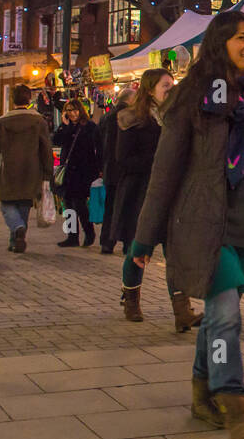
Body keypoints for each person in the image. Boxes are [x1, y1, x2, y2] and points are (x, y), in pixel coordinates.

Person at [132, 12, 244, 439]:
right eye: (240, 38)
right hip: (203, 222)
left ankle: (200, 392)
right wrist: (143, 239)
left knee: (218, 314)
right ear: (219, 43)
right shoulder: (192, 95)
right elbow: (165, 171)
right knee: (227, 314)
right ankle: (235, 404)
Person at [115, 69, 203, 332]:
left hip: (173, 193)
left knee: (174, 250)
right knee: (137, 250)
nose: (170, 89)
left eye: (172, 85)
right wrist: (159, 162)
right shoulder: (132, 119)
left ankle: (182, 311)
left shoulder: (176, 118)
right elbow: (123, 159)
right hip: (142, 192)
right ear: (150, 88)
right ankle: (131, 300)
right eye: (166, 85)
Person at [0, 84, 54, 253]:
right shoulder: (39, 121)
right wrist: (47, 172)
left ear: (12, 99)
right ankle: (17, 237)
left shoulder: (2, 122)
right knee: (24, 204)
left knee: (7, 203)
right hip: (31, 169)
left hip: (9, 168)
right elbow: (46, 148)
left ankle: (17, 230)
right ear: (29, 99)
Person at [51, 98, 102, 247]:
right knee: (68, 205)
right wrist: (63, 126)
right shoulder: (67, 127)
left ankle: (89, 232)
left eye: (74, 110)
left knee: (80, 204)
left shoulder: (89, 127)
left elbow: (98, 148)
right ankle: (72, 236)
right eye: (69, 111)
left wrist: (99, 169)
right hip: (67, 172)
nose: (72, 114)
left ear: (80, 110)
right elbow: (57, 141)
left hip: (83, 171)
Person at [97, 85, 137, 255]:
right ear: (130, 100)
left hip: (110, 169)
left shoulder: (106, 117)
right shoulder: (132, 117)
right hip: (126, 170)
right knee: (128, 207)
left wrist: (102, 165)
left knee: (110, 207)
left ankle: (107, 242)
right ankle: (127, 243)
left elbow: (99, 144)